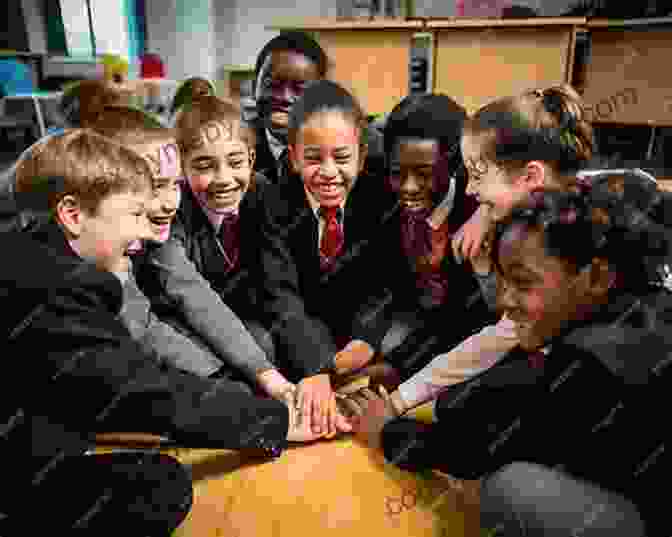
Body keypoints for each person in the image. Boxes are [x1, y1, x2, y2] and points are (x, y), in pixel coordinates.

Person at [1, 129, 326, 534]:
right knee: (158, 487)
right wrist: (272, 421)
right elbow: (139, 391)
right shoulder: (57, 284)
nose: (141, 231)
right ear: (72, 214)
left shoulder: (26, 255)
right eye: (133, 215)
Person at [348, 174, 672, 536]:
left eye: (523, 283)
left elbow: (476, 447)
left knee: (511, 488)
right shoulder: (641, 308)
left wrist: (386, 433)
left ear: (596, 277)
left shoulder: (596, 361)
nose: (504, 301)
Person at [128, 97, 294, 397]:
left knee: (262, 343)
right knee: (223, 375)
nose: (223, 179)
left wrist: (268, 371)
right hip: (169, 316)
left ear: (251, 160)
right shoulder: (170, 215)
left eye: (234, 162)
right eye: (204, 165)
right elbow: (188, 293)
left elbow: (278, 283)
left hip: (228, 313)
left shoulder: (262, 194)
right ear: (182, 169)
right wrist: (253, 376)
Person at [258, 79, 392, 437]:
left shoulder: (378, 197)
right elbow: (280, 293)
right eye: (314, 158)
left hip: (356, 326)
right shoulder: (274, 203)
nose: (329, 172)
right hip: (302, 325)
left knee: (391, 353)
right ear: (293, 157)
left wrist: (367, 338)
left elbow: (383, 281)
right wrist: (315, 367)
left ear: (362, 157)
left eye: (342, 157)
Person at [252, 31, 384, 183]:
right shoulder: (236, 146)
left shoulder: (366, 151)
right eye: (272, 85)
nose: (285, 97)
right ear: (254, 86)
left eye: (300, 89)